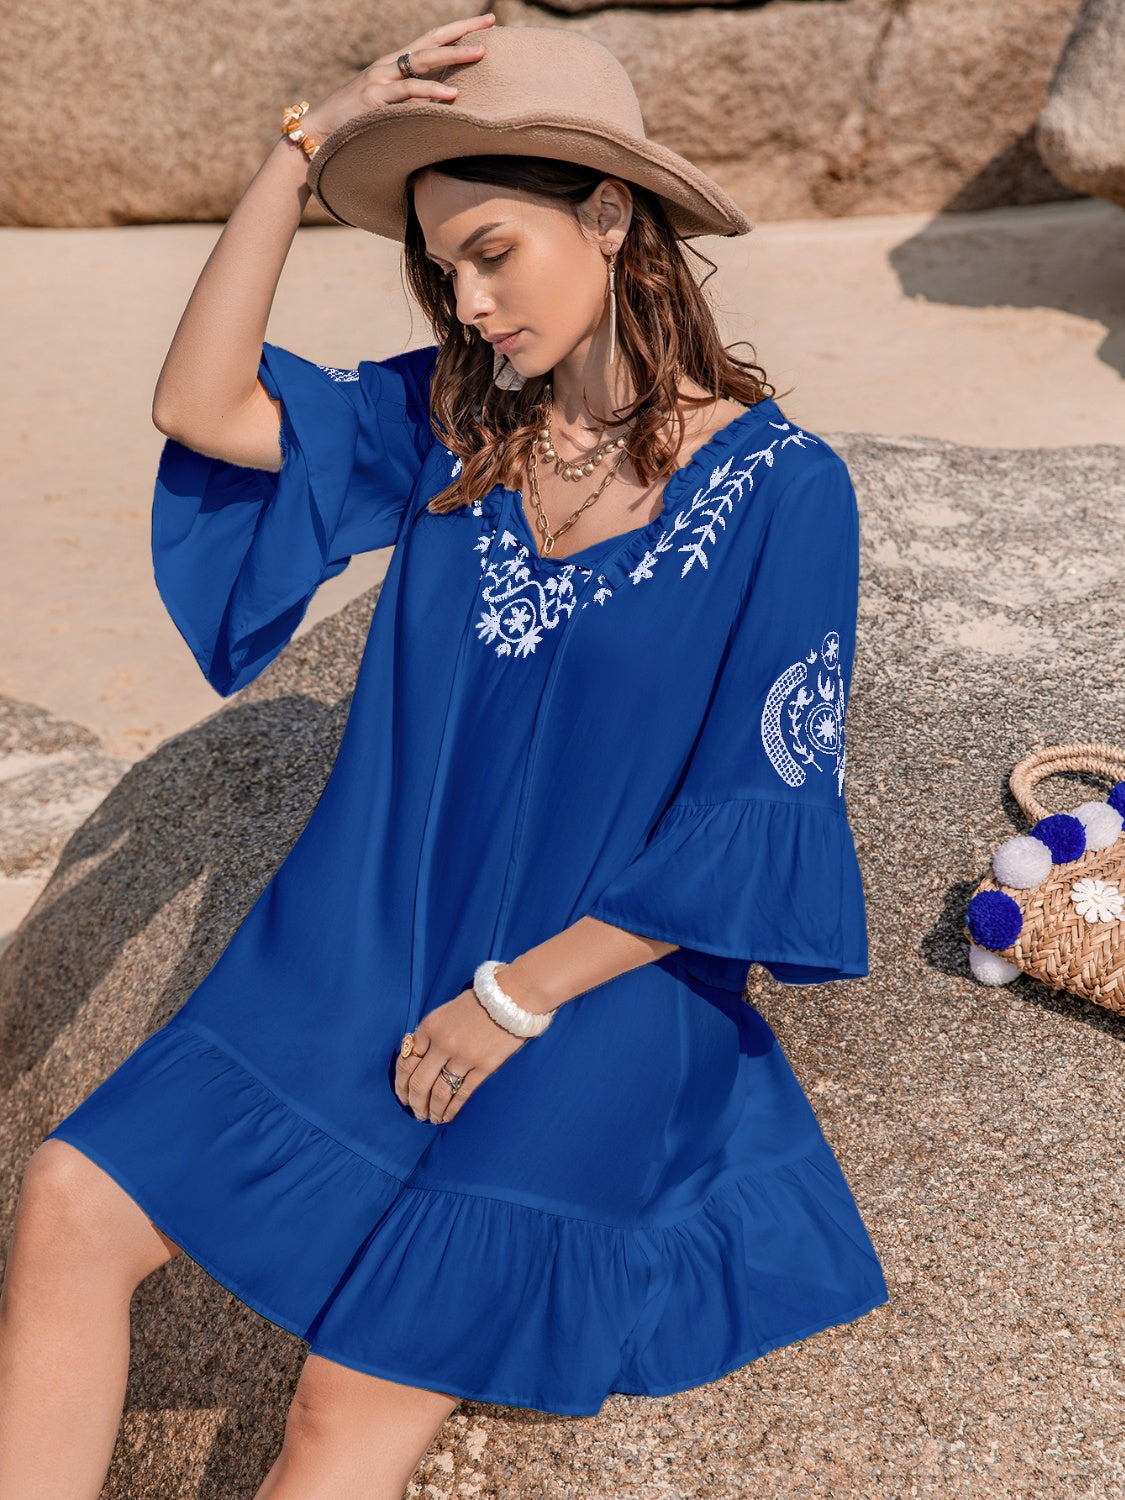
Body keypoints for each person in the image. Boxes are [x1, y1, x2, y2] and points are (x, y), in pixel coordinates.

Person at [0, 14, 888, 1498]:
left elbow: (756, 816)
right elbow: (200, 407)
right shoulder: (454, 426)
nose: (470, 303)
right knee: (71, 1197)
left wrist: (514, 999)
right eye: (442, 272)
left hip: (597, 991)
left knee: (345, 1398)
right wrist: (299, 150)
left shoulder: (788, 492)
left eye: (493, 253)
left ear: (610, 215)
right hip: (363, 947)